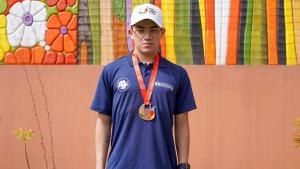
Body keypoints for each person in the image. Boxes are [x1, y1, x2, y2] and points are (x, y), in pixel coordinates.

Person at [91, 3, 196, 169]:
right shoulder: (112, 72)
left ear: (162, 33)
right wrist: (99, 166)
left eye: (153, 29)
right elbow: (103, 121)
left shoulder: (177, 74)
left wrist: (183, 164)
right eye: (140, 29)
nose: (147, 36)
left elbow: (182, 123)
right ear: (131, 33)